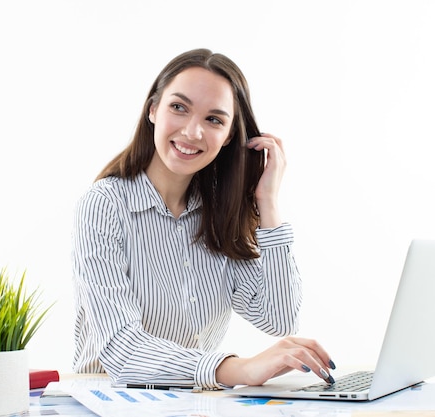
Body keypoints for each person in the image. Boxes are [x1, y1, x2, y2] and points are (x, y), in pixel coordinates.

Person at [71, 48, 335, 390]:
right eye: (179, 107)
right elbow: (121, 349)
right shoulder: (104, 205)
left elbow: (279, 317)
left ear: (228, 137)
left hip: (195, 404)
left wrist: (267, 202)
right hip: (110, 403)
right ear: (153, 109)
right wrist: (236, 368)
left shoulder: (218, 213)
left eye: (214, 119)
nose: (192, 132)